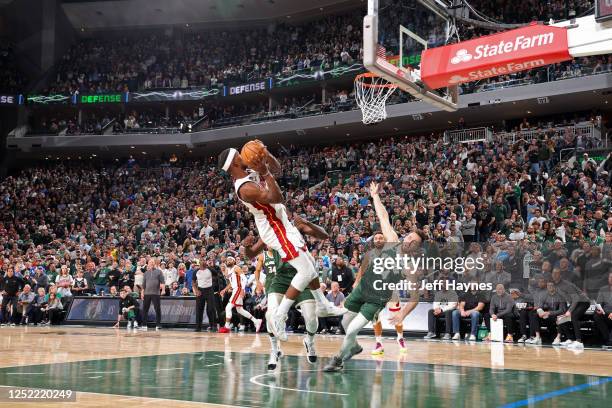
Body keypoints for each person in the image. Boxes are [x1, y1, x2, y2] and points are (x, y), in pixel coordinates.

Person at [218, 144, 344, 341]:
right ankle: (278, 315)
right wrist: (265, 172)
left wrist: (266, 155)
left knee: (310, 262)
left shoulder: (248, 171)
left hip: (282, 223)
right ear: (234, 161)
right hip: (274, 228)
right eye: (239, 153)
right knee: (306, 271)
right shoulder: (245, 188)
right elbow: (277, 196)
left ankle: (321, 304)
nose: (244, 154)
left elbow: (277, 170)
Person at [324, 182, 422, 373]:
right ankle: (354, 347)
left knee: (352, 329)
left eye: (414, 241)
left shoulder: (409, 267)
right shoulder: (393, 241)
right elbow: (383, 217)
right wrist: (375, 196)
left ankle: (338, 359)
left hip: (377, 298)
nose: (409, 240)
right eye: (409, 236)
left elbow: (415, 297)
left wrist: (403, 314)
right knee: (345, 323)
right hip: (362, 289)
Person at [247, 214, 328, 369]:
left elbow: (324, 234)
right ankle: (275, 350)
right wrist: (247, 246)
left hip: (302, 275)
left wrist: (307, 221)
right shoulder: (268, 233)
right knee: (270, 314)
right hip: (281, 279)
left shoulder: (296, 228)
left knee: (311, 318)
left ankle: (309, 342)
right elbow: (251, 254)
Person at [218, 257, 262, 334]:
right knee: (240, 310)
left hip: (238, 289)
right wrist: (224, 290)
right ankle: (256, 321)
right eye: (227, 260)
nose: (228, 261)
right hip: (235, 289)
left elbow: (244, 279)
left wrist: (242, 290)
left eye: (230, 260)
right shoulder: (229, 270)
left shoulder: (236, 268)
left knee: (228, 307)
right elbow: (231, 283)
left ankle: (227, 326)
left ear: (234, 261)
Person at [192, 258, 218, 332]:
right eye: (201, 260)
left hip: (209, 290)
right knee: (199, 309)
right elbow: (193, 282)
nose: (203, 261)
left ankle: (213, 326)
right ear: (199, 262)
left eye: (204, 260)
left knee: (211, 309)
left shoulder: (210, 270)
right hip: (200, 290)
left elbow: (217, 275)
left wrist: (214, 284)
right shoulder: (196, 271)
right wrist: (196, 290)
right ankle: (198, 327)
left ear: (205, 262)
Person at [140, 259, 165, 330]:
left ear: (154, 264)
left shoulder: (159, 272)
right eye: (150, 262)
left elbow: (162, 282)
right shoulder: (146, 273)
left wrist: (163, 290)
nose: (151, 263)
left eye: (152, 262)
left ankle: (158, 324)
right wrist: (142, 293)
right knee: (145, 309)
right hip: (146, 293)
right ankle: (144, 325)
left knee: (157, 309)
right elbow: (143, 285)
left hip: (155, 293)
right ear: (148, 264)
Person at [593, 272, 612, 348]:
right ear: (608, 279)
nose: (611, 279)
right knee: (596, 316)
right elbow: (598, 303)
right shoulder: (603, 289)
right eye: (610, 277)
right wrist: (598, 309)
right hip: (605, 313)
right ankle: (607, 338)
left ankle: (609, 340)